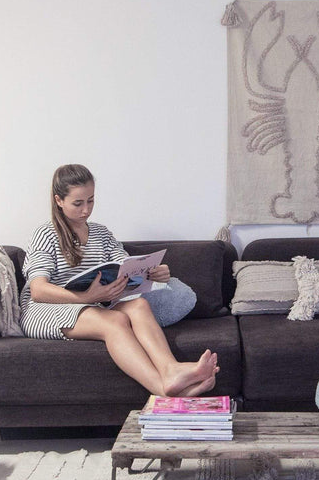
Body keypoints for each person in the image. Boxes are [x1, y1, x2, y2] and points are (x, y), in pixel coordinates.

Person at [20, 164, 218, 397]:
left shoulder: (101, 233)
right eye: (78, 203)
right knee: (115, 321)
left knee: (139, 305)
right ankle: (163, 391)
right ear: (59, 200)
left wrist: (153, 272)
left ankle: (170, 369)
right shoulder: (45, 234)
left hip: (93, 303)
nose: (86, 210)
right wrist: (86, 297)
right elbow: (39, 291)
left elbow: (126, 267)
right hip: (46, 308)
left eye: (91, 201)